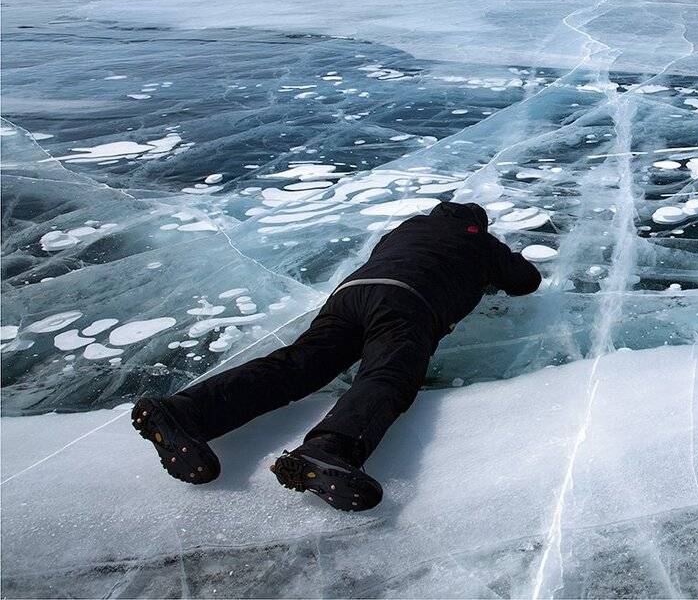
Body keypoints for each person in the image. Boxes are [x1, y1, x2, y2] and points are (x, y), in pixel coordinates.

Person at [131, 201, 541, 511]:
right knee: (387, 375)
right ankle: (331, 449)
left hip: (350, 295)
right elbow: (526, 282)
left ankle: (185, 411)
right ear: (475, 224)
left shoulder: (407, 228)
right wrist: (491, 263)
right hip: (407, 301)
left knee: (296, 365)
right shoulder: (480, 240)